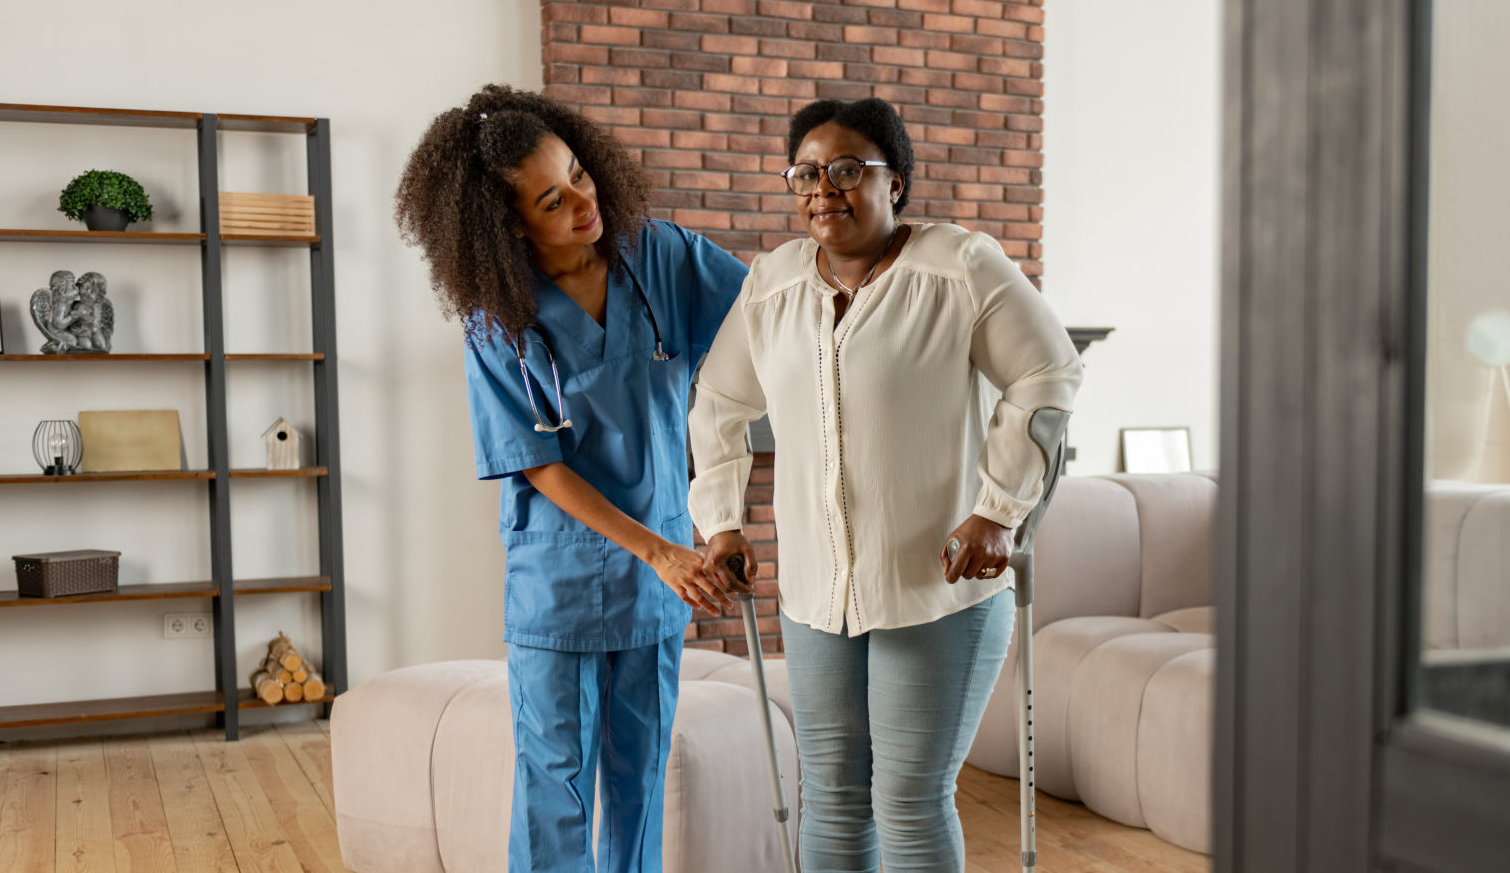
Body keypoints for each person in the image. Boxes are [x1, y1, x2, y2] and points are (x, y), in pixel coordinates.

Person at [689, 98, 1082, 872]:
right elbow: (719, 402)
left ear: (893, 183)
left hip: (935, 586)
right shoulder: (772, 283)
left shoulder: (959, 266)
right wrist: (721, 524)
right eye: (806, 172)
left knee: (907, 799)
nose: (823, 189)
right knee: (830, 794)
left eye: (846, 170)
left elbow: (1047, 371)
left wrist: (997, 511)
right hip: (815, 592)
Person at [394, 84, 749, 872]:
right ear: (509, 227)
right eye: (552, 201)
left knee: (640, 779)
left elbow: (768, 323)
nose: (583, 204)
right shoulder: (499, 322)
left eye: (580, 176)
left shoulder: (662, 256)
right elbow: (540, 466)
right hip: (560, 579)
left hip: (661, 585)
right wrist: (659, 551)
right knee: (556, 787)